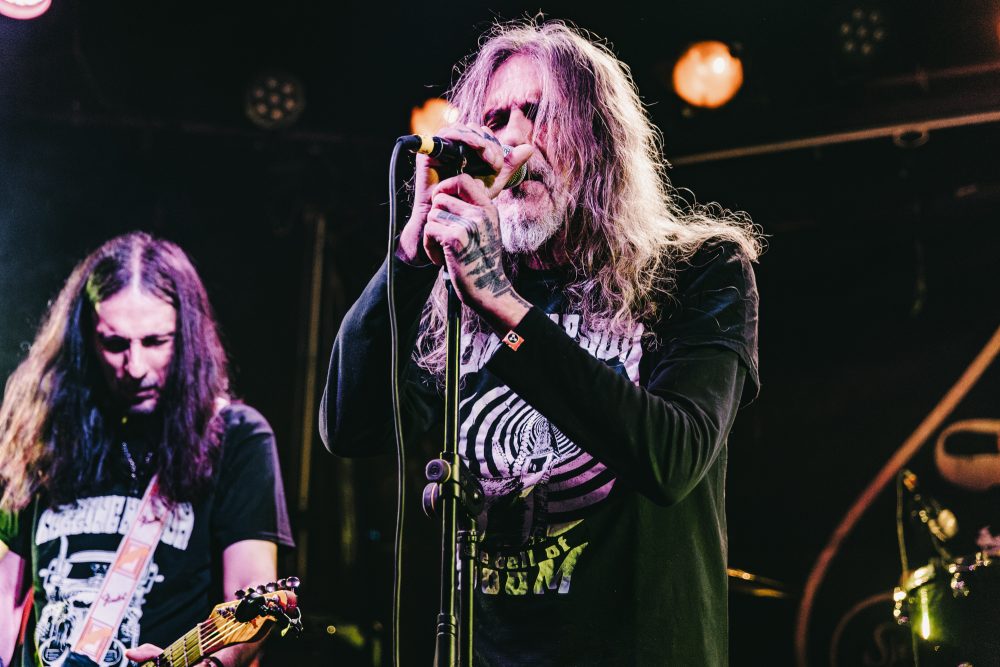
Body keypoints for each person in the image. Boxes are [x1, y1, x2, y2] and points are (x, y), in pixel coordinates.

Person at [321, 19, 761, 666]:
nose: (514, 138)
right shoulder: (455, 293)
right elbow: (349, 427)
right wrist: (411, 255)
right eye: (495, 119)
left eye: (541, 113)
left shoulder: (698, 269)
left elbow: (671, 457)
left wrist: (503, 304)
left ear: (599, 139)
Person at [0, 232, 294, 667]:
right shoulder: (45, 428)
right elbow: (7, 588)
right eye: (115, 344)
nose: (135, 366)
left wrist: (214, 664)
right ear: (85, 338)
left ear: (187, 336)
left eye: (155, 342)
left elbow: (251, 599)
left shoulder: (236, 437)